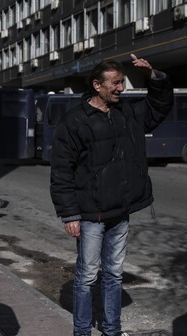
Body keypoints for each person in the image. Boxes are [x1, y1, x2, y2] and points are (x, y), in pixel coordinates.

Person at [50, 54, 173, 336]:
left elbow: (159, 107)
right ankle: (82, 331)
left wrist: (155, 75)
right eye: (115, 83)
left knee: (114, 275)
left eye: (122, 83)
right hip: (90, 215)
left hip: (121, 212)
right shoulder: (75, 121)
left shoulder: (127, 112)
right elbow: (61, 171)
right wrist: (69, 213)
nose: (121, 88)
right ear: (97, 85)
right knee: (87, 277)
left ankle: (112, 329)